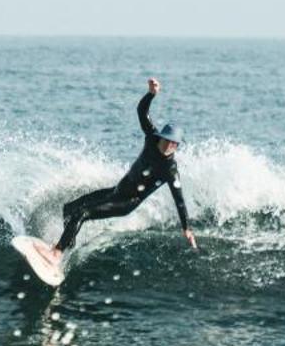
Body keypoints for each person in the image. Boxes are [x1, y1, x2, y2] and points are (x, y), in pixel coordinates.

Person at [51, 77, 197, 263]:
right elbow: (142, 112)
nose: (169, 145)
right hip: (116, 191)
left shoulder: (170, 169)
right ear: (162, 137)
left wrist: (187, 228)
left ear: (177, 145)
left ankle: (57, 252)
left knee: (82, 214)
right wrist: (151, 94)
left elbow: (180, 200)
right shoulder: (152, 138)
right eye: (167, 140)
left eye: (174, 143)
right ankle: (68, 245)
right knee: (69, 209)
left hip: (127, 202)